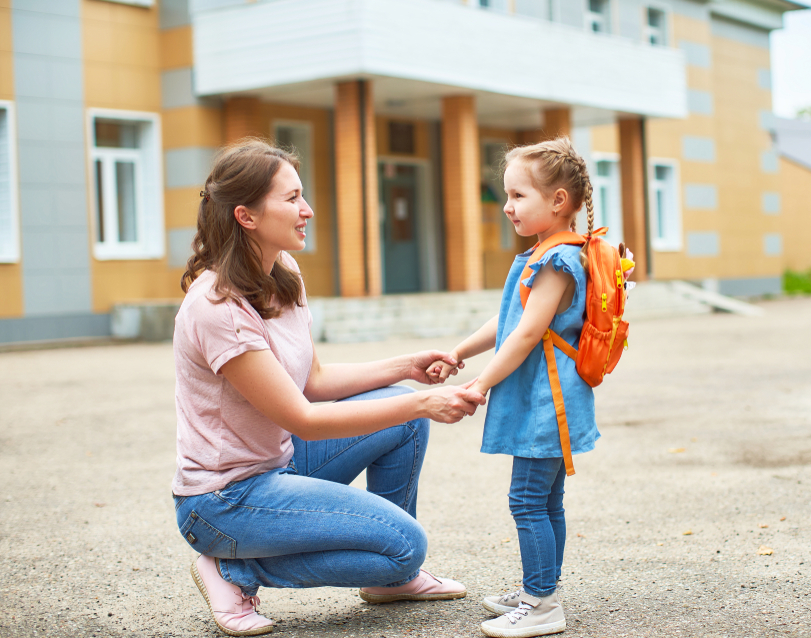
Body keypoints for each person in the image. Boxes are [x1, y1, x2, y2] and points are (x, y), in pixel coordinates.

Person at [172, 138, 486, 636]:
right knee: (406, 547)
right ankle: (232, 569)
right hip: (223, 501)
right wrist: (424, 403)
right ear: (246, 216)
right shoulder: (219, 308)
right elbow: (305, 419)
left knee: (401, 416)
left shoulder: (282, 273)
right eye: (292, 198)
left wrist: (407, 369)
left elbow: (313, 382)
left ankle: (391, 580)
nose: (307, 210)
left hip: (278, 464)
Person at [427, 137, 601, 638]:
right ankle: (538, 588)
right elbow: (508, 322)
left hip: (548, 402)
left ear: (558, 202)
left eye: (518, 195)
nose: (507, 206)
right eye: (506, 195)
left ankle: (543, 604)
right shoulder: (545, 252)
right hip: (544, 398)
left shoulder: (557, 260)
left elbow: (527, 334)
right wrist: (460, 352)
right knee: (546, 502)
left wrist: (480, 383)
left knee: (528, 500)